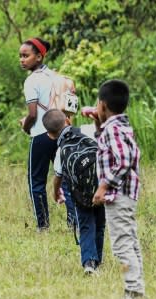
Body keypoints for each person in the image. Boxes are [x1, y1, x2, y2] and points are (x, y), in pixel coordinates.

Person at [91, 79, 145, 299]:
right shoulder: (120, 126)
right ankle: (137, 289)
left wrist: (103, 187)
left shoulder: (112, 129)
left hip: (118, 195)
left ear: (102, 105)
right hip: (126, 194)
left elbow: (123, 161)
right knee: (130, 241)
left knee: (122, 244)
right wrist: (97, 126)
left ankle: (132, 292)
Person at [19, 37, 76, 231]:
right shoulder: (58, 77)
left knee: (36, 181)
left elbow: (33, 114)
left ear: (39, 56)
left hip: (42, 134)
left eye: (26, 55)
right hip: (64, 133)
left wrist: (25, 126)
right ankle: (73, 221)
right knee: (66, 177)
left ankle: (43, 225)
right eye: (20, 56)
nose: (22, 59)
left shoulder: (31, 81)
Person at [43, 109, 105, 275]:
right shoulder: (87, 130)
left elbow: (58, 177)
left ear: (50, 135)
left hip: (80, 195)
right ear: (68, 121)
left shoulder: (61, 151)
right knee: (99, 224)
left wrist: (56, 193)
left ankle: (89, 263)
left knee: (85, 226)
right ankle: (98, 259)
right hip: (100, 187)